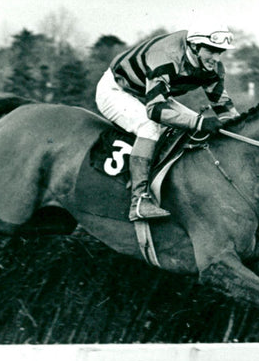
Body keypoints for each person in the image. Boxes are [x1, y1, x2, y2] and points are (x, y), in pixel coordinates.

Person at [95, 24, 240, 221]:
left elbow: (225, 110)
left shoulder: (211, 67)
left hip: (150, 93)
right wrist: (199, 122)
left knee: (193, 128)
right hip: (118, 91)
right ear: (195, 47)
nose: (216, 58)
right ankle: (139, 200)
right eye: (211, 50)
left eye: (220, 52)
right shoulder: (165, 56)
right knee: (151, 127)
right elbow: (155, 110)